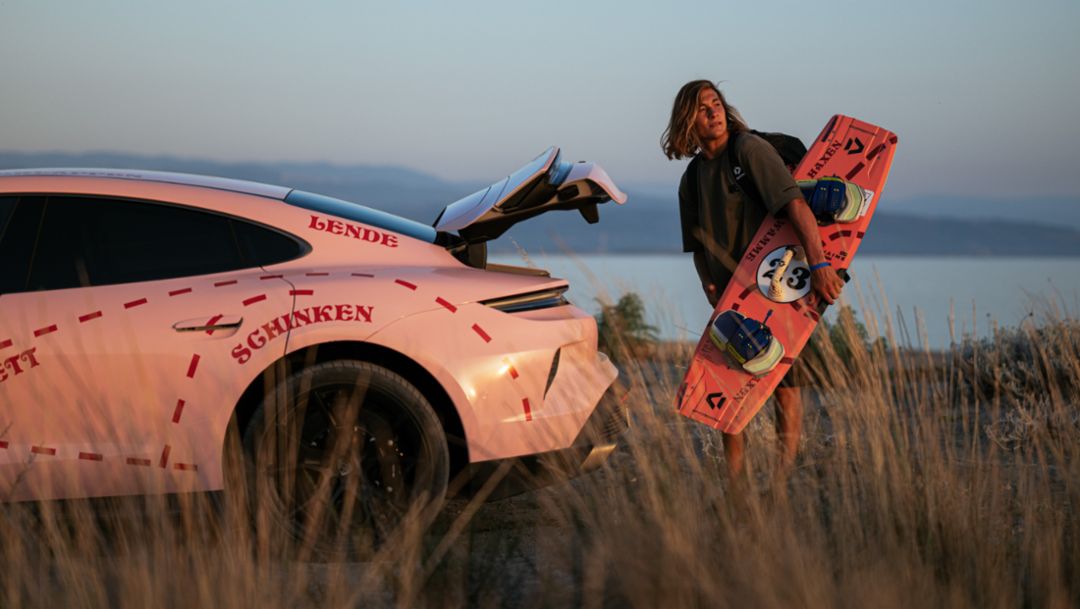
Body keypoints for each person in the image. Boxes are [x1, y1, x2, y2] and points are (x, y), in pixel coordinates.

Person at [661, 80, 844, 483]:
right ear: (686, 122)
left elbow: (794, 204)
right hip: (732, 296)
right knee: (729, 386)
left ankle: (780, 482)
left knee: (784, 382)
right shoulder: (691, 179)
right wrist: (710, 287)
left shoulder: (749, 150)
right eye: (702, 107)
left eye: (716, 103)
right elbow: (695, 245)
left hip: (777, 284)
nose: (714, 111)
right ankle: (738, 489)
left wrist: (819, 266)